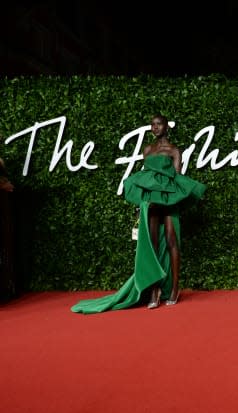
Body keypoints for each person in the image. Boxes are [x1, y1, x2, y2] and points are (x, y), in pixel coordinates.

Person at [72, 114, 206, 314]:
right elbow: (146, 178)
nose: (155, 127)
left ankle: (175, 289)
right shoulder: (148, 150)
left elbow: (177, 178)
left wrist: (171, 197)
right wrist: (142, 205)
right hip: (151, 201)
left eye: (159, 124)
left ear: (166, 127)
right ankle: (154, 291)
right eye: (152, 125)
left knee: (171, 240)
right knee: (150, 243)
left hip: (169, 199)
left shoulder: (174, 150)